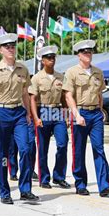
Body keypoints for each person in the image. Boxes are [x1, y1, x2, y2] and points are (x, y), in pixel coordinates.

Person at [0, 33, 39, 204]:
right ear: (0, 50)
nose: (10, 49)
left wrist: (29, 113)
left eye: (13, 46)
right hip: (1, 113)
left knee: (26, 149)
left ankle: (25, 189)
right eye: (7, 47)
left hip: (19, 114)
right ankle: (4, 191)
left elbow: (25, 93)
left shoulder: (23, 69)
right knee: (2, 154)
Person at [63, 39, 109, 197]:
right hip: (80, 113)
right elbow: (68, 95)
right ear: (79, 55)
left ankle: (104, 186)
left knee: (99, 149)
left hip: (95, 114)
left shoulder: (98, 72)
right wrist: (76, 115)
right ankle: (80, 184)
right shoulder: (72, 72)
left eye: (90, 52)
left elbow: (100, 93)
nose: (88, 54)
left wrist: (100, 110)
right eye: (85, 52)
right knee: (78, 150)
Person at [29, 45, 70, 189]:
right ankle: (44, 178)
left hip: (58, 112)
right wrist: (35, 118)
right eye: (48, 58)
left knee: (63, 143)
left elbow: (64, 98)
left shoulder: (61, 77)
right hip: (43, 111)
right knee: (43, 147)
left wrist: (66, 115)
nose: (51, 60)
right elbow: (32, 99)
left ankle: (58, 176)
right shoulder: (36, 78)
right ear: (42, 61)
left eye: (53, 57)